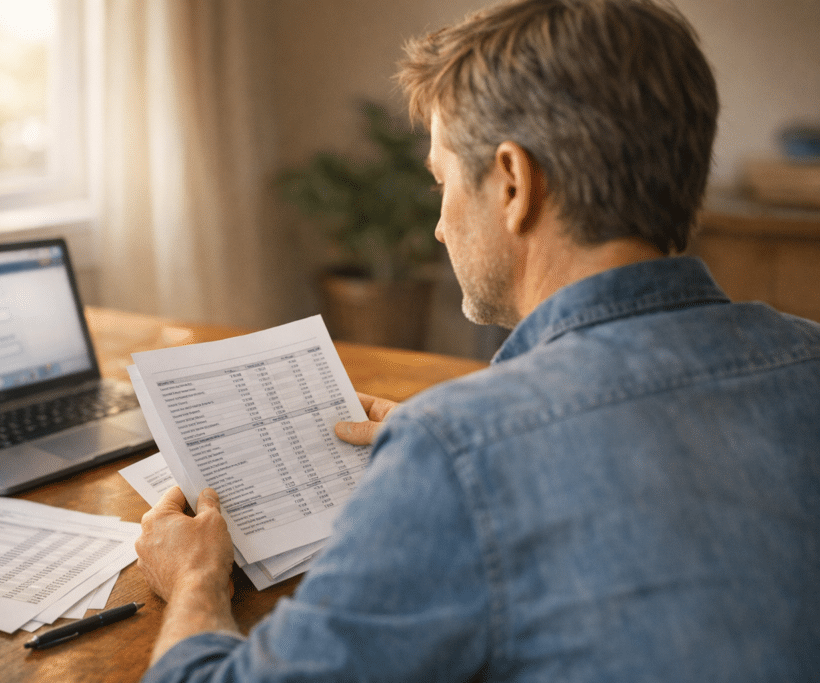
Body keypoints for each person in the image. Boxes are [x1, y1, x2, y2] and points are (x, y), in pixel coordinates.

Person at [135, 0, 820, 680]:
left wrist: (195, 577)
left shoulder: (458, 447)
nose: (438, 226)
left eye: (443, 182)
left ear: (514, 183)